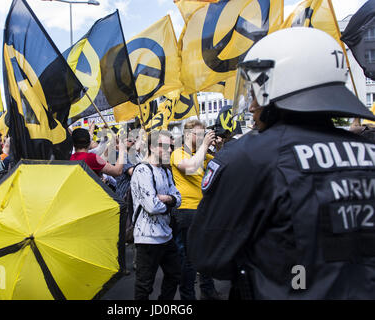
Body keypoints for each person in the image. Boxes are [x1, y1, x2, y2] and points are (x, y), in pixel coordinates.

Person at [187, 27, 375, 299]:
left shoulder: (249, 156)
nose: (251, 106)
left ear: (284, 85)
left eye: (256, 92)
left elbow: (208, 255)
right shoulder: (368, 151)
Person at [170, 120, 223, 300]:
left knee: (206, 253)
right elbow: (191, 167)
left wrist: (220, 146)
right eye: (198, 135)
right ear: (187, 135)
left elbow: (224, 164)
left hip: (203, 210)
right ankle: (187, 297)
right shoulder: (178, 153)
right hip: (186, 211)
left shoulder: (203, 154)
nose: (202, 138)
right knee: (189, 259)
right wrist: (205, 145)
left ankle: (208, 291)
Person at [130, 130, 182, 300]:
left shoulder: (166, 172)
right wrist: (170, 203)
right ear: (151, 147)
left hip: (166, 235)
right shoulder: (142, 171)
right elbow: (152, 206)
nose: (167, 150)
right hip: (147, 239)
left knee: (175, 275)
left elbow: (179, 198)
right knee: (145, 286)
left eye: (170, 146)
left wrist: (167, 198)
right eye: (162, 146)